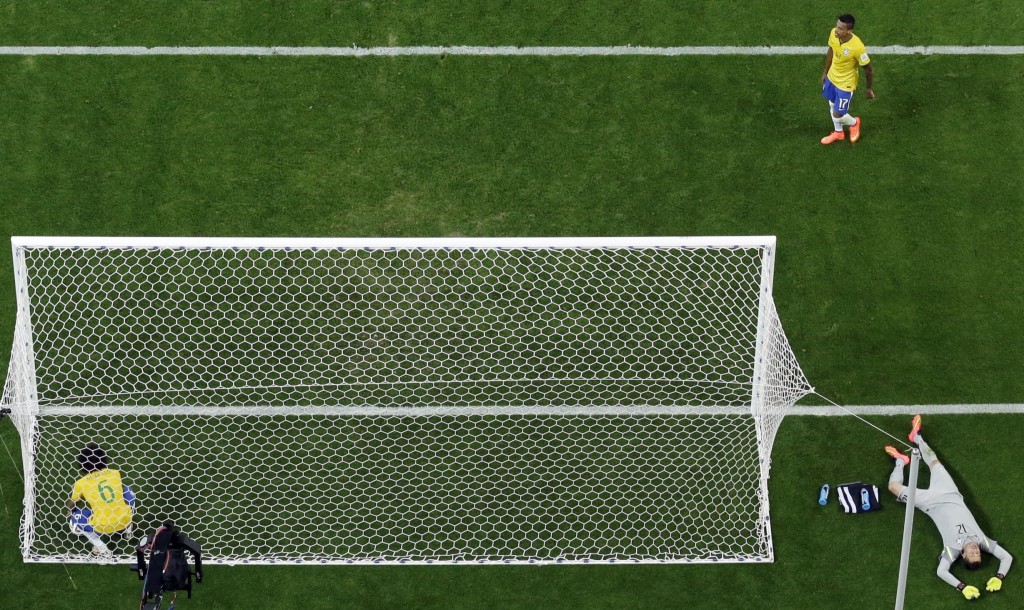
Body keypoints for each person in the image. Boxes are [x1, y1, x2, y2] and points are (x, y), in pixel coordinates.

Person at [885, 416, 1012, 600]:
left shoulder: (952, 550)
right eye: (978, 554)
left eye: (971, 554)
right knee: (934, 463)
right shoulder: (984, 541)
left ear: (964, 556)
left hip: (929, 503)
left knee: (893, 487)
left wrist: (962, 587)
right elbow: (1006, 557)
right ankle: (916, 437)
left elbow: (941, 571)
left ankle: (901, 461)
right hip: (951, 493)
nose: (975, 550)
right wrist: (999, 577)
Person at [66, 443, 136, 556]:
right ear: (103, 459)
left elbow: (72, 504)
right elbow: (119, 490)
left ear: (82, 465)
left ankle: (100, 547)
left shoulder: (80, 483)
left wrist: (70, 509)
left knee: (74, 518)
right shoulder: (115, 473)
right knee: (128, 490)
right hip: (124, 518)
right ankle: (127, 529)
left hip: (102, 526)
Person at [820, 13, 875, 144]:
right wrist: (825, 72)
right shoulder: (834, 34)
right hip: (832, 77)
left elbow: (869, 69)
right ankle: (838, 133)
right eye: (837, 26)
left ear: (849, 30)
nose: (836, 30)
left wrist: (868, 89)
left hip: (846, 84)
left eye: (841, 28)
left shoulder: (857, 47)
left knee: (838, 113)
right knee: (832, 105)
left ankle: (855, 122)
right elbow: (831, 51)